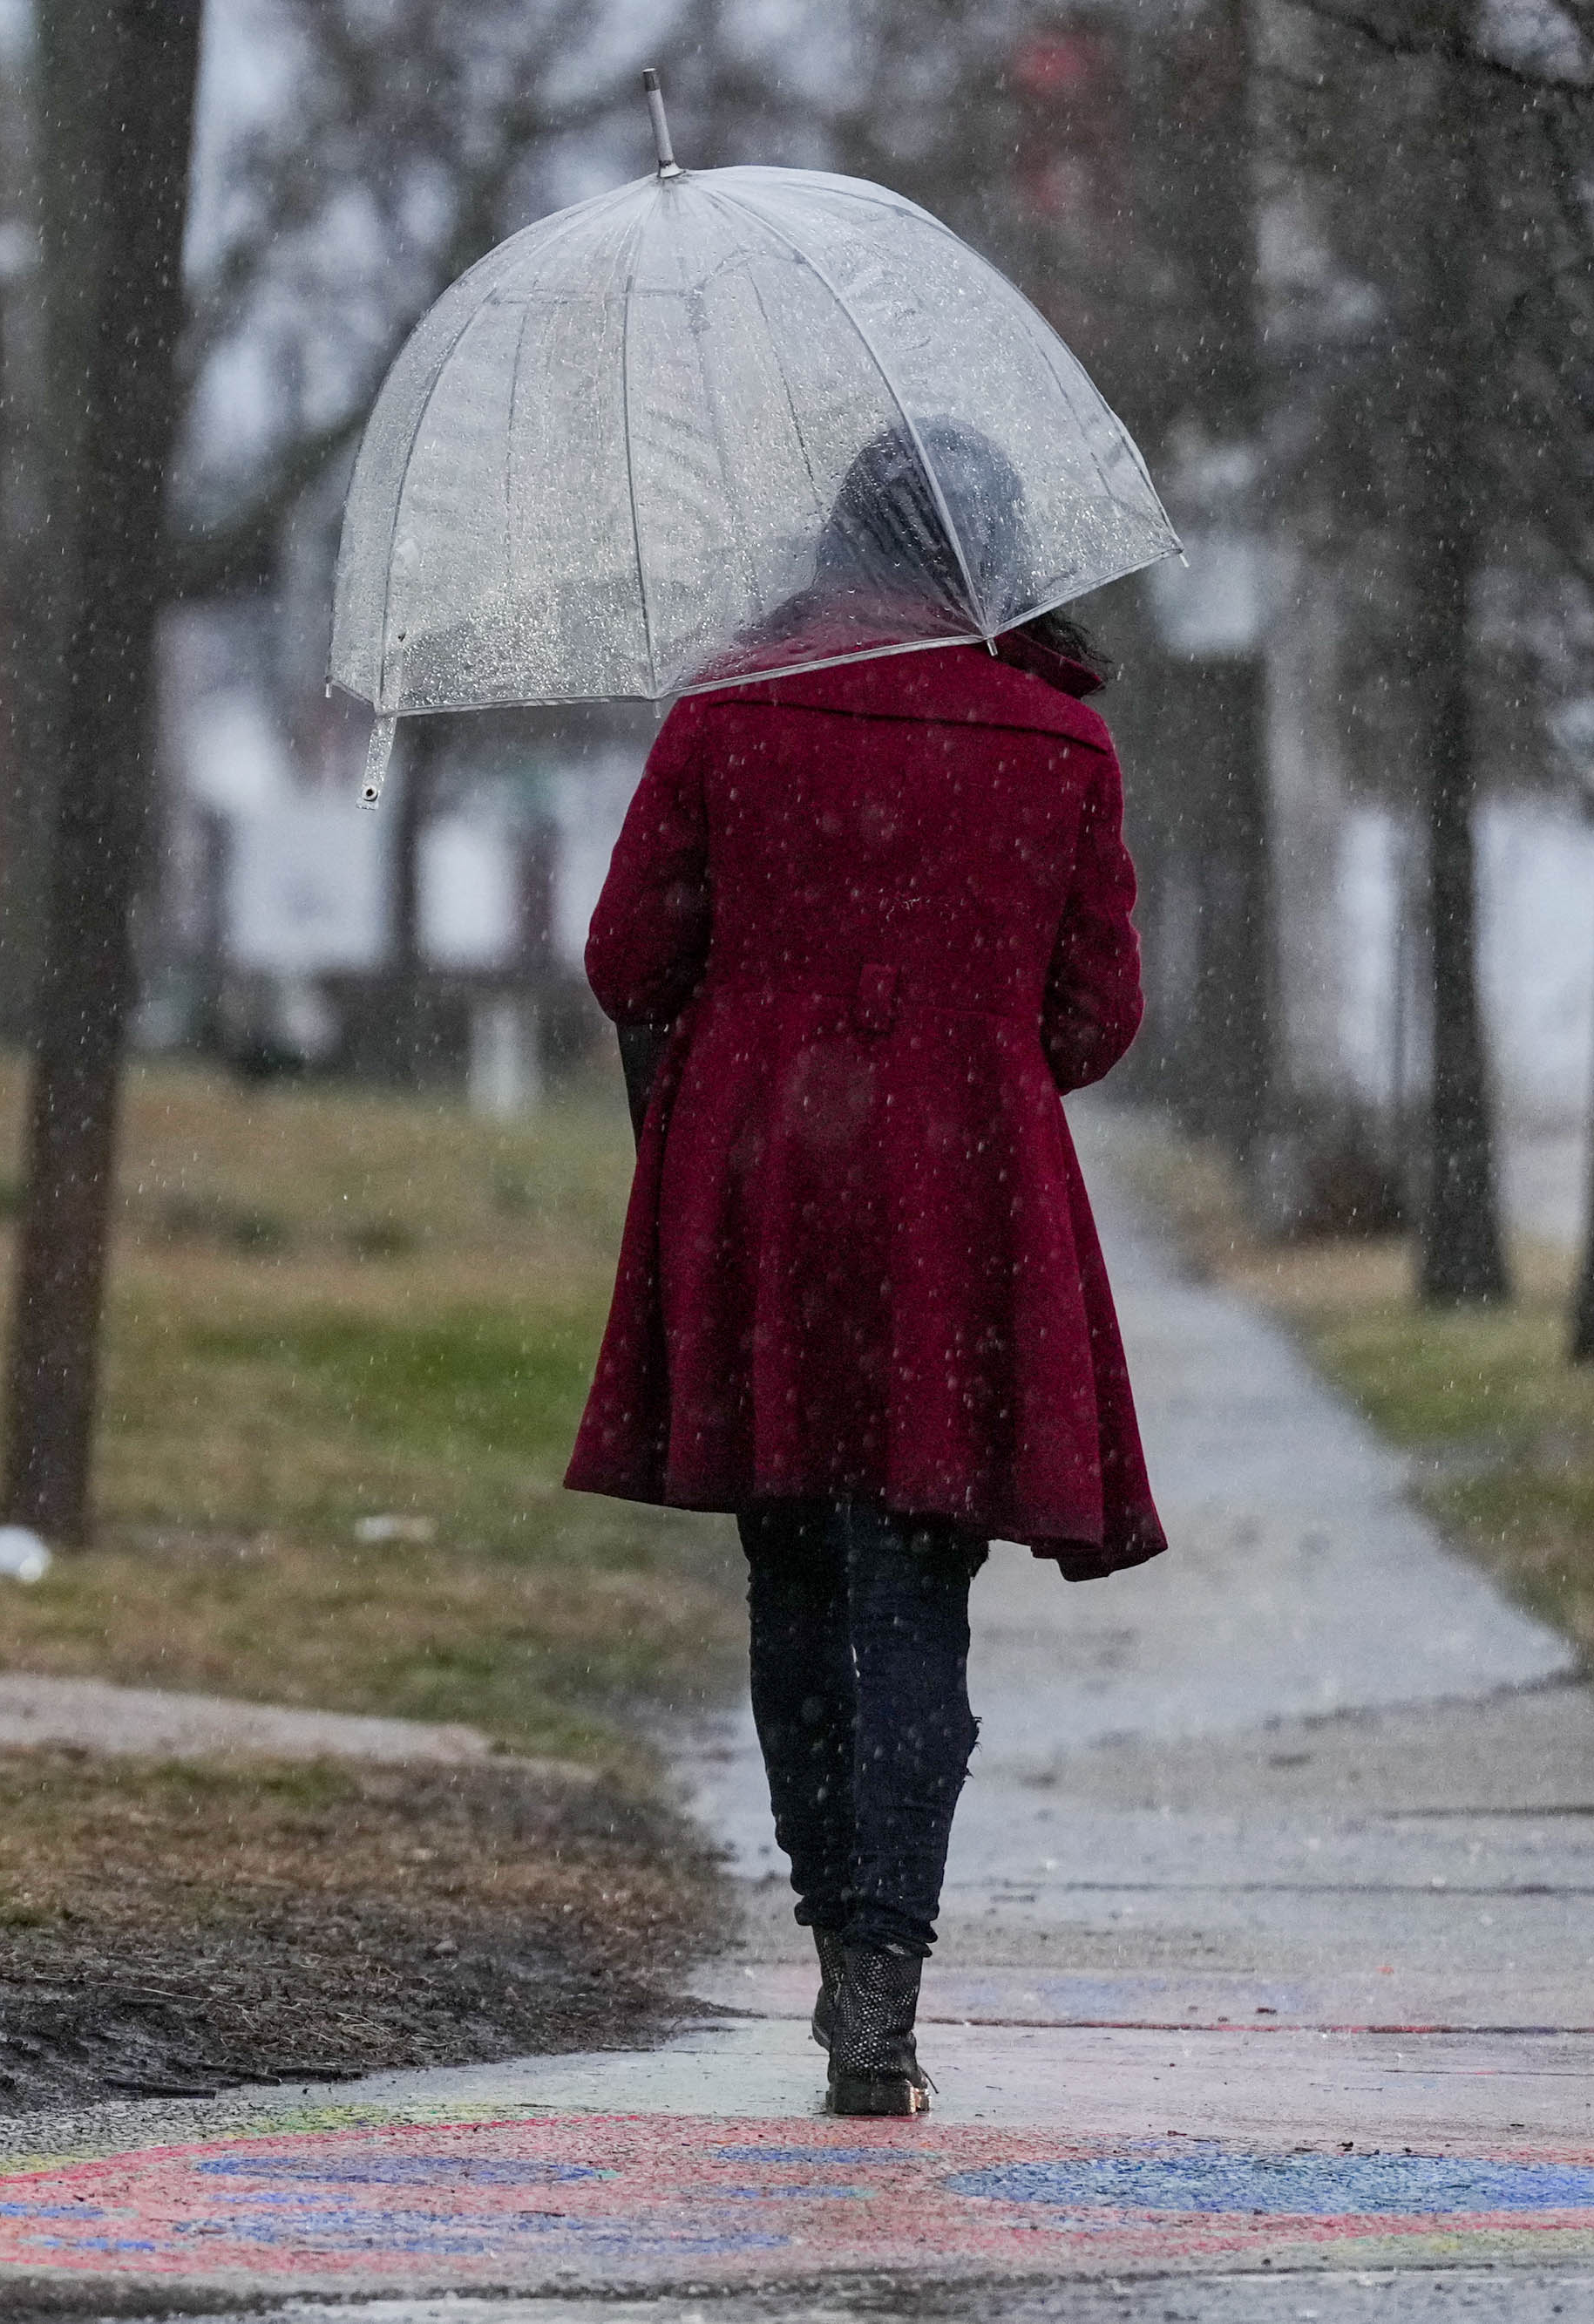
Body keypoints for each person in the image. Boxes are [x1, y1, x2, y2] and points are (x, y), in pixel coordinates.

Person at [564, 488, 1169, 2116]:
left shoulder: (729, 709)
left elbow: (629, 964)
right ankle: (884, 1978)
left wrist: (779, 1000)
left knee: (795, 1562)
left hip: (763, 1183)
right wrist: (954, 1042)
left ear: (836, 549)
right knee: (916, 1575)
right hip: (961, 1202)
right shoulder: (1057, 741)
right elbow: (1096, 1017)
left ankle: (840, 1937)